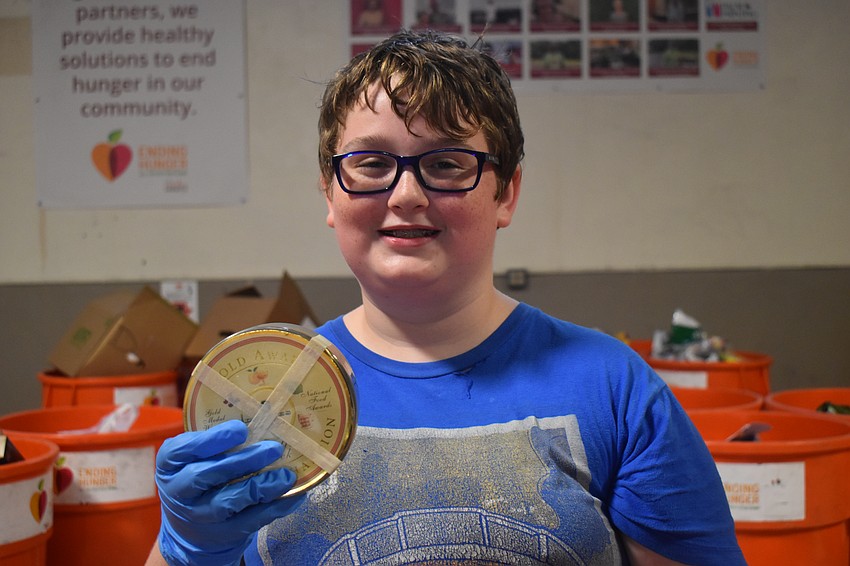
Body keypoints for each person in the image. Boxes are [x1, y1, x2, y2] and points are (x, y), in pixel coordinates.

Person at [147, 29, 746, 566]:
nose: (405, 193)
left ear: (506, 193)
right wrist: (192, 550)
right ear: (330, 193)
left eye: (448, 162)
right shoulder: (265, 395)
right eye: (371, 162)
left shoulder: (614, 389)